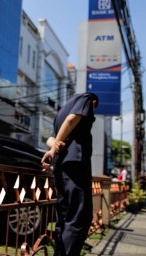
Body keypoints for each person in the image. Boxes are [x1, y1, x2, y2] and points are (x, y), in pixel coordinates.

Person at [42, 92, 98, 256]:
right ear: (94, 102)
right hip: (75, 163)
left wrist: (54, 146)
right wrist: (53, 149)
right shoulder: (87, 99)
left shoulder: (61, 111)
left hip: (62, 167)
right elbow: (72, 119)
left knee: (64, 216)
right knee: (79, 216)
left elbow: (50, 139)